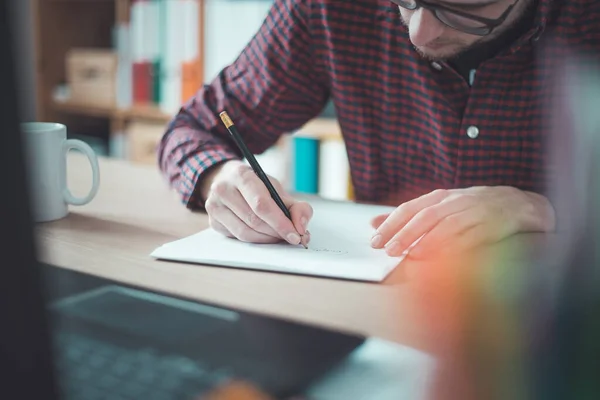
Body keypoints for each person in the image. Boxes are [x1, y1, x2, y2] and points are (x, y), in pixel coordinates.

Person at [157, 0, 600, 258]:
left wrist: (544, 208)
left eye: (462, 4)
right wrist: (221, 177)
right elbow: (194, 129)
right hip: (379, 303)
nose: (420, 33)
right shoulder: (332, 8)